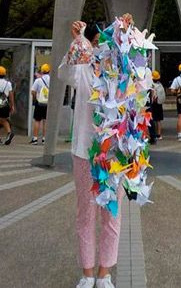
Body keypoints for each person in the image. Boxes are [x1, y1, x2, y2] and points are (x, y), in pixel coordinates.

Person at [62, 20, 119, 288]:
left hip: (114, 155)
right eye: (98, 42)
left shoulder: (125, 74)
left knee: (111, 215)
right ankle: (87, 273)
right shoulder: (83, 70)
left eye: (108, 43)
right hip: (85, 151)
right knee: (86, 214)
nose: (102, 47)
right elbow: (64, 73)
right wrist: (77, 40)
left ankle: (104, 273)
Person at [31, 63, 51, 144]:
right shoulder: (52, 80)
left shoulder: (38, 80)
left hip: (39, 102)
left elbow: (33, 91)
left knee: (37, 120)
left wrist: (36, 98)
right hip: (48, 103)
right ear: (49, 71)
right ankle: (44, 139)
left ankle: (35, 139)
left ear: (42, 71)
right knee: (46, 121)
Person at [147, 70, 165, 144]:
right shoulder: (160, 85)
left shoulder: (151, 85)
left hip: (153, 104)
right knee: (158, 120)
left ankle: (152, 134)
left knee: (152, 119)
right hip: (159, 104)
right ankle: (159, 134)